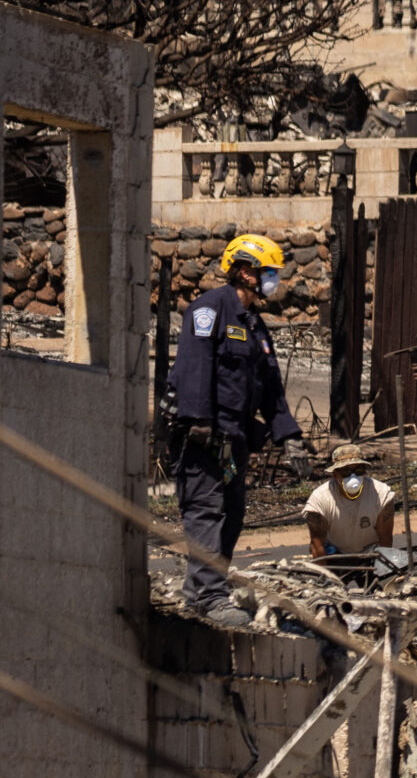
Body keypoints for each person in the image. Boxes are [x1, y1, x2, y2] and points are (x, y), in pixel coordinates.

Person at [171, 234, 309, 626]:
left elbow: (270, 387)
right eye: (269, 272)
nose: (273, 280)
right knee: (205, 511)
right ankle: (208, 597)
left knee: (232, 514)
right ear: (246, 271)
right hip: (205, 437)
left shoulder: (255, 325)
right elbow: (194, 366)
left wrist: (290, 438)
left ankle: (202, 592)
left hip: (234, 440)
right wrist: (198, 421)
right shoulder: (209, 309)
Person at [303, 444, 399, 559]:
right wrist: (326, 575)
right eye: (345, 472)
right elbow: (317, 546)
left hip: (370, 554)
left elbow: (386, 540)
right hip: (335, 556)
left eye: (358, 470)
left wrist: (384, 571)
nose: (353, 477)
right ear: (334, 474)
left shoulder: (381, 494)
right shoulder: (320, 500)